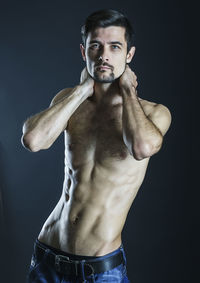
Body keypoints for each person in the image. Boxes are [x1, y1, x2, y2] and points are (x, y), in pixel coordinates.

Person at [21, 9, 172, 283]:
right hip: (47, 255)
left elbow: (141, 147)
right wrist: (80, 90)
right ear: (83, 52)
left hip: (100, 270)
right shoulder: (69, 101)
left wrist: (128, 90)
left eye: (115, 47)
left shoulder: (154, 113)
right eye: (95, 46)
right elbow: (33, 140)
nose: (104, 55)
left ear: (129, 55)